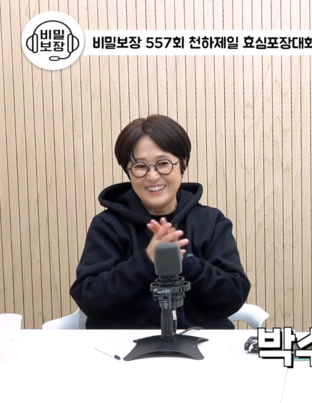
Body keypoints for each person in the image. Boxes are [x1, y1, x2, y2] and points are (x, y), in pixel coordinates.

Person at [70, 114, 251, 329]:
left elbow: (233, 295)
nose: (153, 176)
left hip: (203, 343)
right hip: (124, 346)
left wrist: (182, 261)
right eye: (140, 166)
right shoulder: (107, 225)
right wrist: (146, 261)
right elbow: (90, 298)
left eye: (163, 164)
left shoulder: (211, 222)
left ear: (183, 162)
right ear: (128, 171)